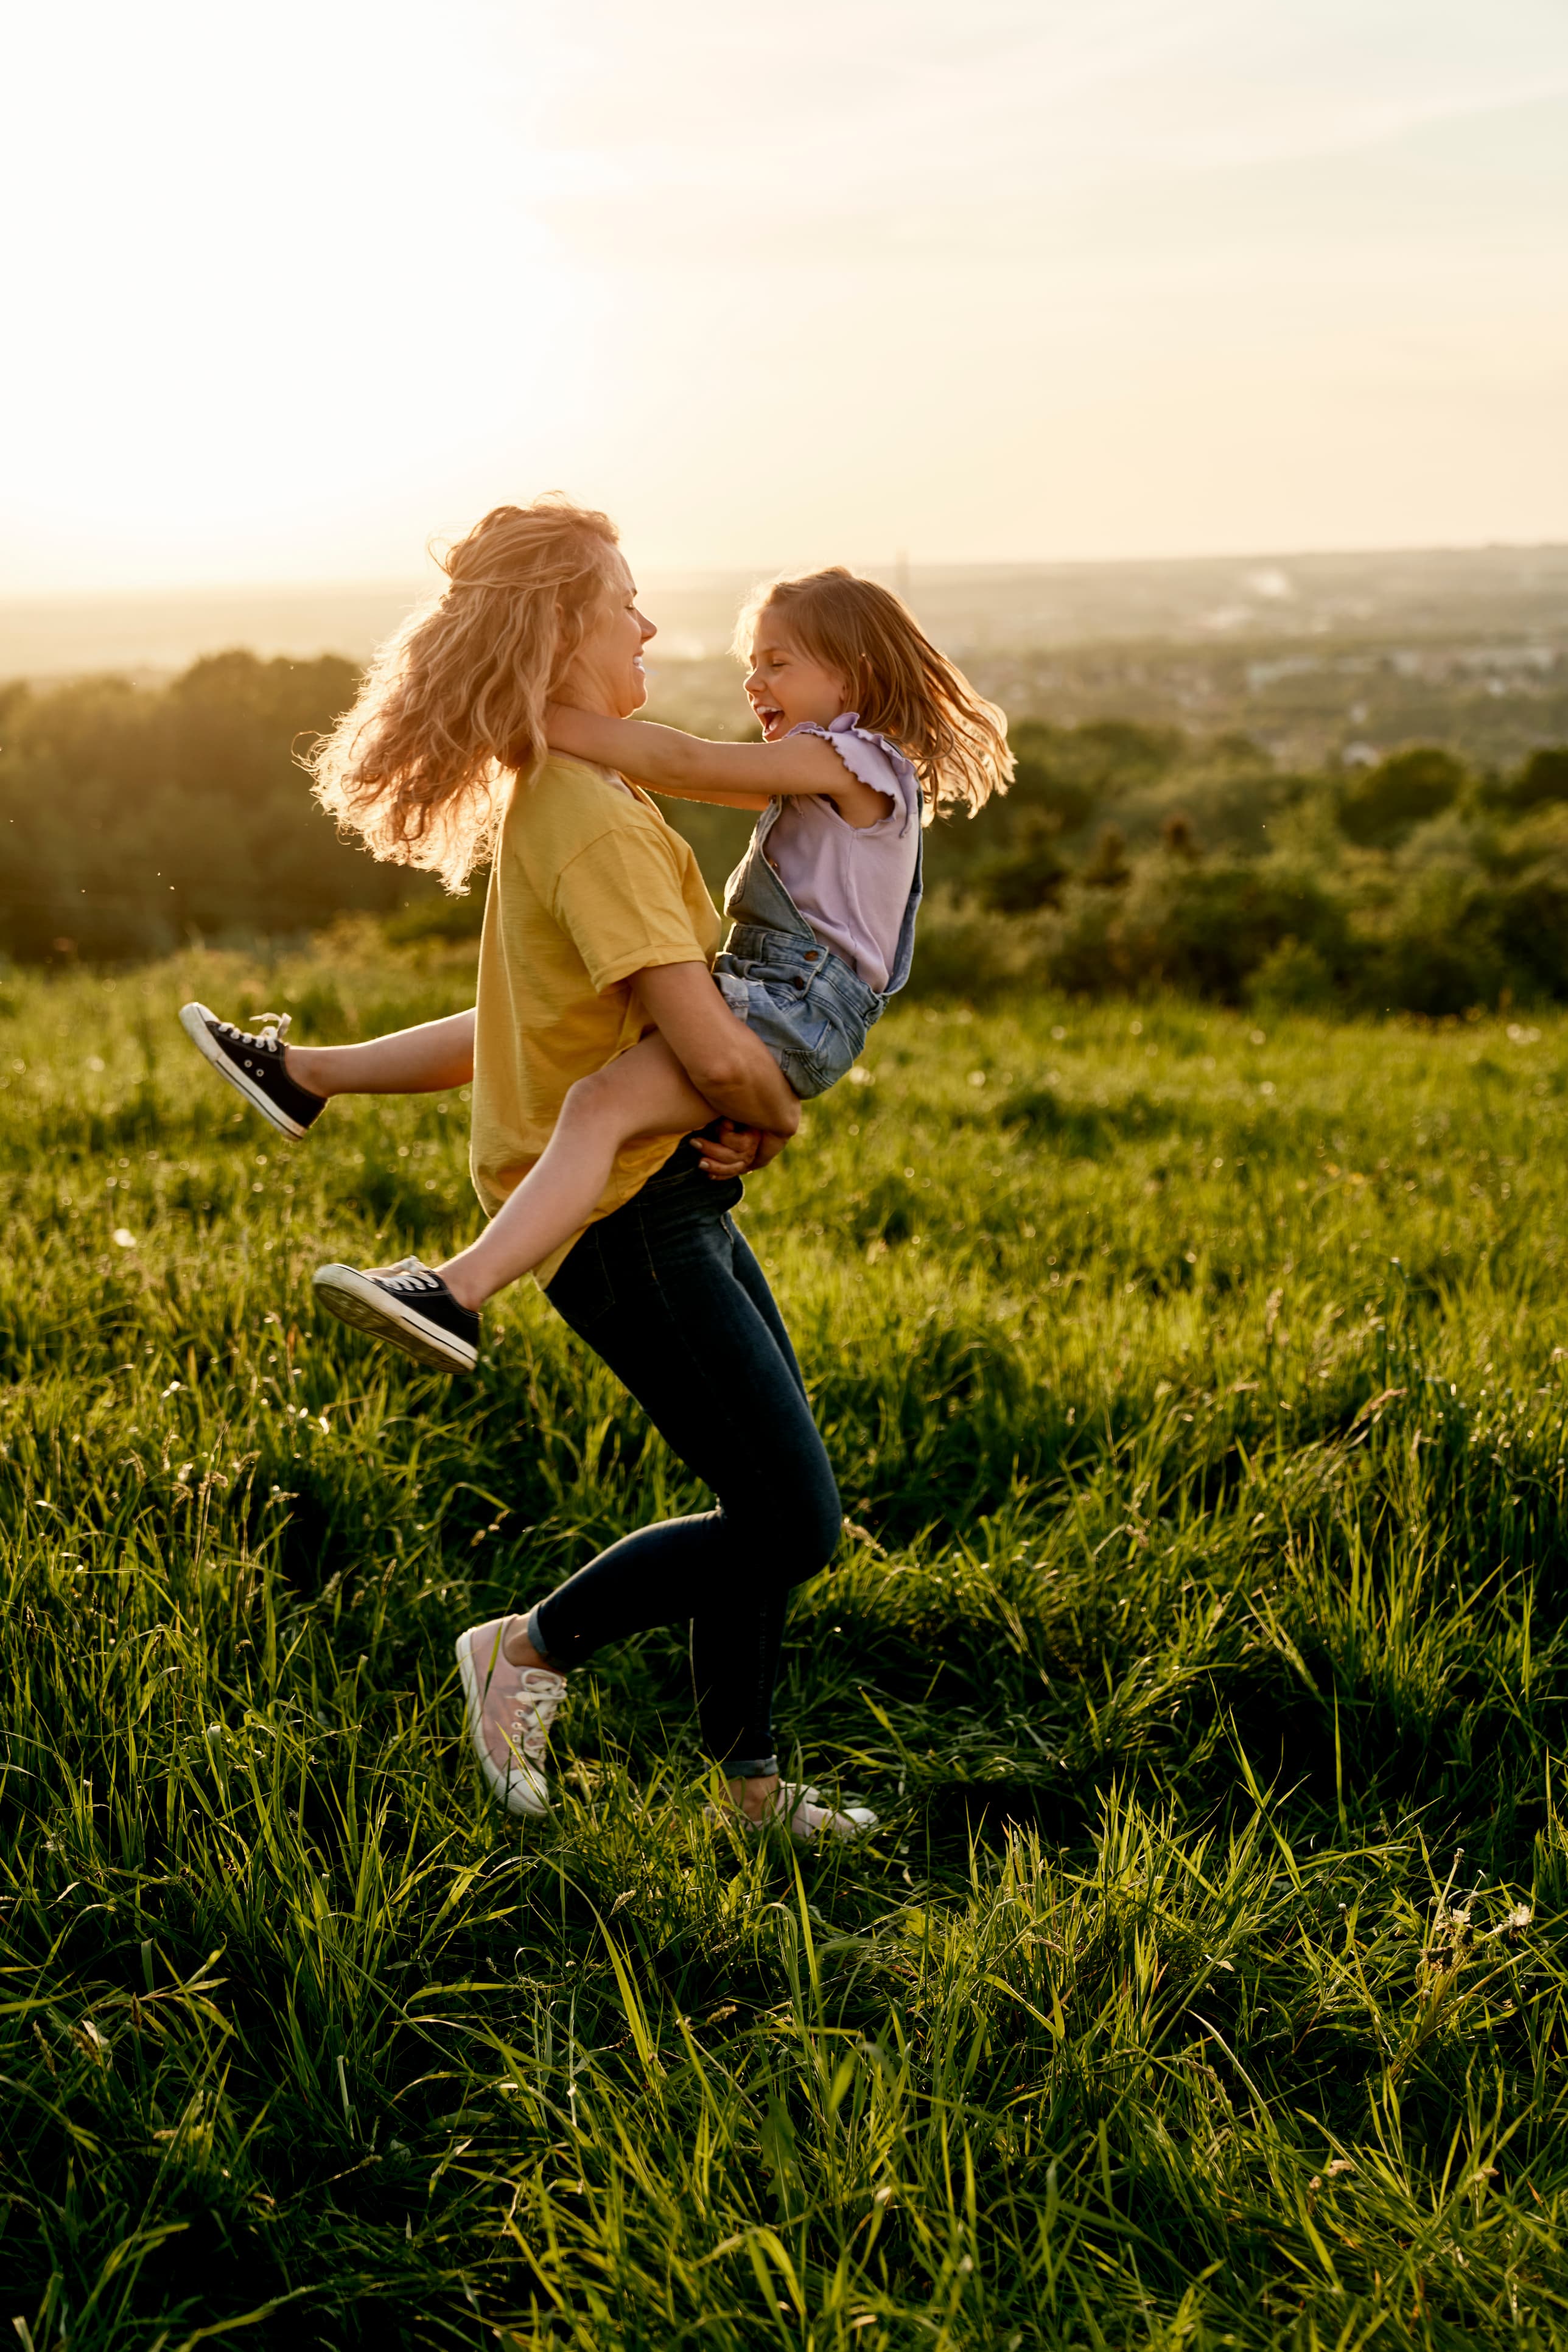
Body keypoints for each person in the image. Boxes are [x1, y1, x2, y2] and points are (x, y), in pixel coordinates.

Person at [177, 500, 897, 1841]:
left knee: (762, 1497)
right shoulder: (602, 818)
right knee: (793, 1523)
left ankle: (747, 1786)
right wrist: (774, 1112)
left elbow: (526, 1026)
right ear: (566, 630)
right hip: (634, 1220)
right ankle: (529, 1649)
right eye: (623, 600)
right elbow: (705, 1044)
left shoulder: (577, 792)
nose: (648, 622)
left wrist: (316, 1069)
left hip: (663, 1195)